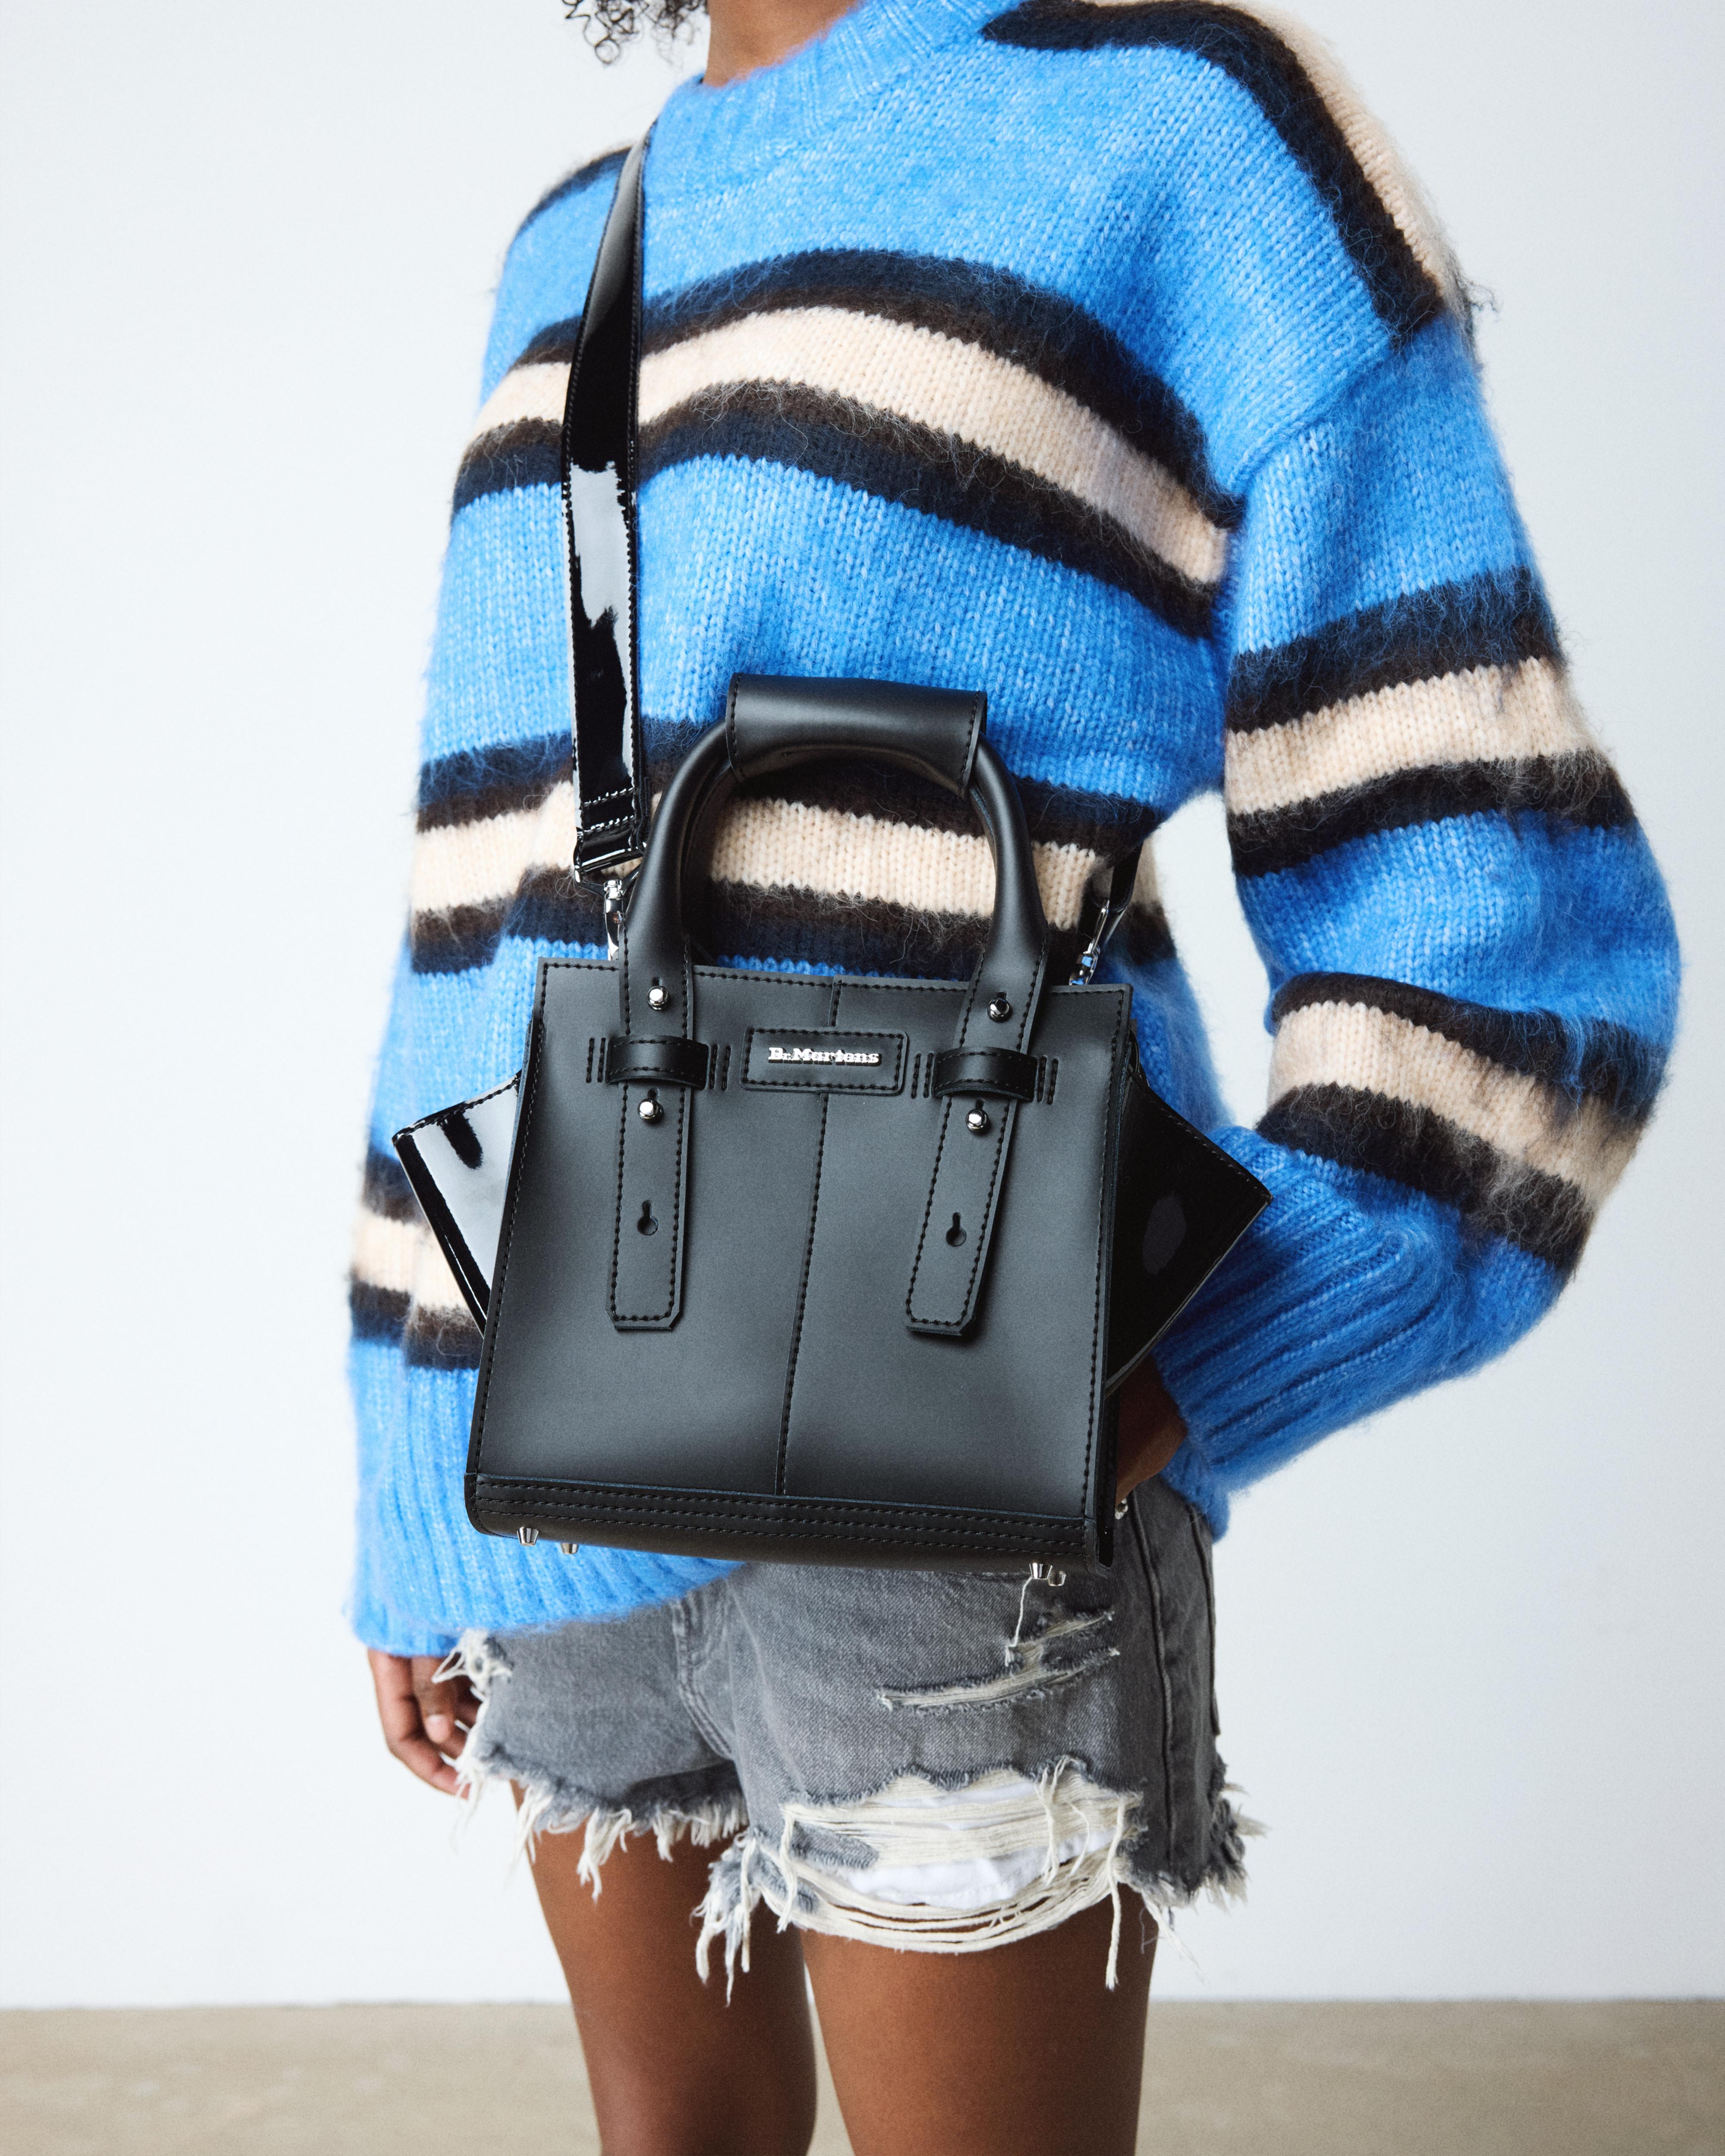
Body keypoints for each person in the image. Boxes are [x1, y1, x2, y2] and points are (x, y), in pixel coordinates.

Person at [349, 0, 1679, 2148]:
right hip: (558, 1467)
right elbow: (484, 901)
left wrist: (1200, 1356)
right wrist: (408, 1461)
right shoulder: (573, 241)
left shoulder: (1188, 130)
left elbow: (1501, 929)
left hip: (953, 1493)